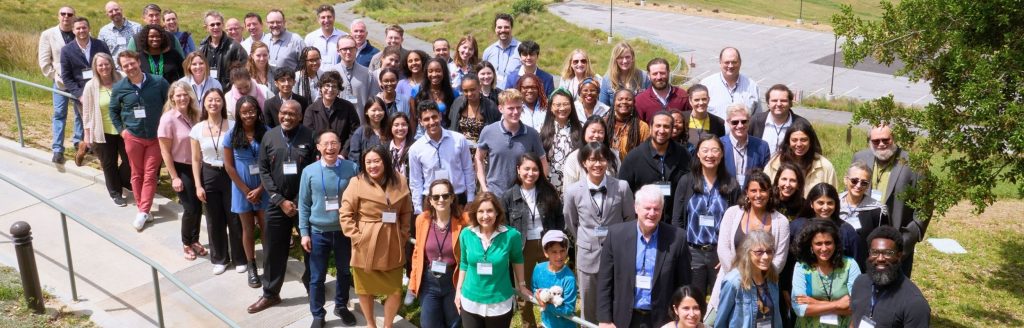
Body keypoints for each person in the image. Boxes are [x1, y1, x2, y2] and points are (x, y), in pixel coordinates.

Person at [247, 100, 317, 314]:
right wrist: (280, 200)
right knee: (272, 250)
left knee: (311, 248)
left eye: (292, 114)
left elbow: (313, 169)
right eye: (283, 113)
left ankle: (313, 286)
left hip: (303, 204)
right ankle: (270, 293)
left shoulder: (310, 136)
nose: (287, 117)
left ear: (300, 116)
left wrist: (296, 201)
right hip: (277, 204)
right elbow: (264, 170)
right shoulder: (270, 136)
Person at [597, 184, 692, 328]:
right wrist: (605, 319)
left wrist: (680, 320)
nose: (652, 213)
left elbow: (684, 284)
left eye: (657, 209)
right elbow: (605, 281)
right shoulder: (616, 235)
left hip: (663, 321)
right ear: (636, 207)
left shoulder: (677, 238)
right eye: (647, 208)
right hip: (623, 319)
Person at [339, 145, 413, 328]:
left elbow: (406, 211)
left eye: (377, 161)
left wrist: (403, 234)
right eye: (368, 162)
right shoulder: (356, 182)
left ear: (385, 162)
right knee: (364, 290)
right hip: (366, 244)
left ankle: (388, 325)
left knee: (395, 291)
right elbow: (345, 214)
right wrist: (357, 237)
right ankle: (370, 324)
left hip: (393, 241)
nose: (372, 166)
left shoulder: (400, 180)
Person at [562, 141, 633, 323]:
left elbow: (629, 219)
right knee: (588, 303)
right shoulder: (572, 192)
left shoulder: (622, 187)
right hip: (587, 254)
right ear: (584, 162)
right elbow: (571, 222)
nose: (597, 164)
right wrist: (586, 239)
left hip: (617, 254)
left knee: (617, 300)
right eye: (592, 160)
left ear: (608, 162)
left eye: (602, 159)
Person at [296, 129, 359, 327]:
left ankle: (341, 305)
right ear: (318, 147)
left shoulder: (352, 168)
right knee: (317, 276)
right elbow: (304, 204)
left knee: (344, 272)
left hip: (344, 231)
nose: (330, 147)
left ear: (340, 145)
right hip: (318, 232)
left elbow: (359, 199)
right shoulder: (309, 171)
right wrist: (304, 233)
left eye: (334, 143)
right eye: (326, 144)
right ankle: (318, 313)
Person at [671, 135, 740, 307]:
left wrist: (728, 254)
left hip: (719, 252)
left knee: (720, 301)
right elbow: (677, 220)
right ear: (698, 155)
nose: (710, 155)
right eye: (705, 150)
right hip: (692, 253)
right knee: (694, 301)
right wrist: (682, 251)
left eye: (715, 150)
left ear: (722, 154)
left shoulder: (731, 184)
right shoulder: (687, 181)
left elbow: (737, 222)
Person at [708, 170, 789, 316]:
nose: (758, 195)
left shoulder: (781, 222)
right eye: (753, 190)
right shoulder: (732, 213)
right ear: (746, 192)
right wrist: (738, 278)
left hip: (764, 286)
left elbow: (780, 259)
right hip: (731, 282)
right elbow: (723, 249)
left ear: (770, 192)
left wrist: (758, 280)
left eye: (763, 190)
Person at [851, 124, 928, 277]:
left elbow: (924, 205)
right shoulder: (860, 157)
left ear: (894, 138)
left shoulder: (914, 163)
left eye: (885, 139)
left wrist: (908, 239)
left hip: (897, 240)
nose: (880, 144)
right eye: (875, 141)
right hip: (863, 239)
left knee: (894, 290)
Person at [782, 183, 864, 326]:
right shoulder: (797, 227)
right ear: (811, 204)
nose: (825, 207)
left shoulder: (847, 231)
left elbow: (856, 298)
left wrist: (815, 303)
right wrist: (785, 288)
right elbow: (787, 260)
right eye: (820, 202)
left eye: (830, 203)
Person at [500, 153, 565, 327]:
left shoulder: (548, 191)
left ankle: (553, 322)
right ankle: (529, 324)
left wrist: (558, 241)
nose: (531, 173)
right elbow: (503, 225)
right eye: (526, 169)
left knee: (554, 286)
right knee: (524, 289)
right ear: (518, 170)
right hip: (522, 247)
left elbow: (559, 216)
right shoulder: (508, 196)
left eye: (535, 169)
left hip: (548, 244)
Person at [110, 50, 169, 231]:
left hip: (155, 138)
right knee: (136, 174)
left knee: (150, 174)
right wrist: (122, 131)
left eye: (132, 63)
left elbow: (169, 104)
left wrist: (165, 128)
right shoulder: (120, 87)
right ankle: (143, 208)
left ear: (138, 62)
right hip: (133, 137)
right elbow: (113, 111)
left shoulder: (158, 82)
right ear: (121, 68)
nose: (130, 68)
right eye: (125, 66)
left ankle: (143, 211)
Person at [190, 89, 245, 275]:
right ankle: (220, 258)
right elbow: (196, 159)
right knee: (214, 219)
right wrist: (198, 185)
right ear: (204, 104)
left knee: (234, 216)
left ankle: (240, 257)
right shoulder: (197, 129)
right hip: (209, 173)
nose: (214, 103)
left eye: (217, 100)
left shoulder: (233, 125)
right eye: (210, 100)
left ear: (223, 103)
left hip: (230, 173)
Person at [455, 192, 531, 327]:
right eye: (481, 211)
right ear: (475, 213)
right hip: (470, 301)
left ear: (497, 212)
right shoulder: (466, 234)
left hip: (499, 303)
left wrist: (522, 285)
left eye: (490, 210)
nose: (485, 216)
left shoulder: (511, 236)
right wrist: (458, 291)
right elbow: (464, 263)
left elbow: (517, 259)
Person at [223, 96, 269, 287]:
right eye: (244, 112)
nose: (249, 115)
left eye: (252, 111)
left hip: (264, 188)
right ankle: (252, 266)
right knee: (248, 229)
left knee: (266, 228)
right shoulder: (231, 135)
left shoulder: (266, 133)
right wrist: (246, 190)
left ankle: (268, 264)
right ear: (238, 114)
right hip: (241, 191)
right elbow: (229, 166)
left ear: (258, 112)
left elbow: (272, 164)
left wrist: (259, 189)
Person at [157, 81, 205, 260]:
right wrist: (174, 177)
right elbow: (165, 151)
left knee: (199, 205)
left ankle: (195, 239)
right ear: (172, 98)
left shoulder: (196, 115)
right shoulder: (168, 119)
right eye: (178, 95)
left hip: (198, 165)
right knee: (190, 207)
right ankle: (186, 242)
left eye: (185, 94)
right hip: (181, 167)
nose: (182, 98)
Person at [410, 179, 467, 328]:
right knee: (429, 324)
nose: (441, 200)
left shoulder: (464, 221)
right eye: (436, 197)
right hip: (429, 281)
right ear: (430, 200)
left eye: (445, 196)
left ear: (452, 198)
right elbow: (417, 253)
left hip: (453, 280)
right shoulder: (422, 220)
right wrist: (413, 282)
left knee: (454, 323)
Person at [849, 226, 931, 327]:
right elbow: (854, 318)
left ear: (899, 256)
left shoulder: (915, 304)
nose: (880, 258)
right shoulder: (860, 282)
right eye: (874, 252)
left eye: (888, 253)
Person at [475, 89, 548, 198]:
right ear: (501, 109)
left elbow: (543, 163)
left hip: (522, 195)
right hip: (495, 194)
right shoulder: (489, 131)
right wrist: (484, 188)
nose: (515, 112)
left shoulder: (532, 134)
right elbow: (478, 159)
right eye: (511, 108)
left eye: (519, 108)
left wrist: (537, 187)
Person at [619, 111, 690, 221]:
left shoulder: (684, 155)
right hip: (644, 221)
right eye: (658, 126)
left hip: (674, 221)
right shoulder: (634, 157)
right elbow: (624, 194)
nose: (661, 131)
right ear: (651, 128)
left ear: (672, 130)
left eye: (666, 127)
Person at [790, 220, 862, 328]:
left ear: (835, 244)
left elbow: (857, 307)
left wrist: (814, 303)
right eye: (818, 243)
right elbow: (800, 309)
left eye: (828, 243)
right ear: (811, 246)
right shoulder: (802, 267)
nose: (824, 248)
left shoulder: (850, 265)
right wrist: (838, 304)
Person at [80, 52, 130, 206]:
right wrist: (87, 135)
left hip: (123, 129)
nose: (104, 67)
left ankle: (121, 181)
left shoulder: (122, 78)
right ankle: (115, 193)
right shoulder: (91, 86)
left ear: (111, 64)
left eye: (106, 63)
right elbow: (87, 112)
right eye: (100, 65)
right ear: (95, 67)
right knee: (109, 163)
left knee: (130, 160)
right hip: (102, 131)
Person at [61, 17, 112, 166]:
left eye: (84, 27)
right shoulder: (67, 50)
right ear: (73, 30)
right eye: (78, 28)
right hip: (83, 95)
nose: (81, 31)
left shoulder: (100, 45)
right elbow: (67, 77)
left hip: (103, 91)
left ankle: (84, 145)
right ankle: (104, 160)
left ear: (89, 28)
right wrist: (79, 95)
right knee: (93, 125)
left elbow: (110, 66)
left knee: (105, 124)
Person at [409, 101, 476, 212]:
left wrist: (470, 199)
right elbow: (415, 181)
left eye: (434, 117)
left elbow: (468, 170)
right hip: (431, 201)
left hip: (457, 198)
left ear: (440, 116)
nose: (431, 122)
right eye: (426, 119)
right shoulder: (415, 149)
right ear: (420, 122)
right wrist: (418, 209)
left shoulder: (459, 140)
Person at [714, 230, 783, 328]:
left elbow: (776, 318)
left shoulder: (772, 278)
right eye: (759, 252)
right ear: (747, 253)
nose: (765, 256)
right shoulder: (733, 282)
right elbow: (721, 321)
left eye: (769, 251)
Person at [40, 6, 79, 164]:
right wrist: (55, 76)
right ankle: (57, 149)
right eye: (63, 14)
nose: (66, 17)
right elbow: (44, 62)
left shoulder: (81, 32)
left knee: (81, 114)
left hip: (79, 83)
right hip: (60, 83)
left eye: (69, 14)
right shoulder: (48, 34)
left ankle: (78, 141)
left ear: (74, 17)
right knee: (59, 114)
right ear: (58, 16)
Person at [764, 120, 838, 196]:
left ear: (811, 142)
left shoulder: (825, 167)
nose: (799, 144)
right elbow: (765, 191)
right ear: (788, 142)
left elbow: (833, 198)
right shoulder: (774, 163)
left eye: (803, 140)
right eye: (794, 140)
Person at [839, 161, 890, 268]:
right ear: (845, 180)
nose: (858, 185)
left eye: (864, 183)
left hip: (863, 266)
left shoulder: (878, 211)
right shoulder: (833, 204)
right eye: (854, 181)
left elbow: (882, 242)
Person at [532, 230, 578, 328]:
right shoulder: (538, 269)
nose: (559, 256)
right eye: (554, 252)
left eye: (562, 250)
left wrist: (546, 305)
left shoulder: (569, 279)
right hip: (546, 323)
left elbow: (568, 309)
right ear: (546, 253)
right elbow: (534, 287)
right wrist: (537, 294)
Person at [748, 84, 812, 155]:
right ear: (768, 103)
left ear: (790, 103)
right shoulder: (755, 121)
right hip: (760, 166)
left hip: (791, 166)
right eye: (774, 100)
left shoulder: (802, 124)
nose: (778, 104)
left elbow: (814, 151)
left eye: (783, 100)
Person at [541, 89, 583, 194]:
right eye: (558, 105)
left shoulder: (581, 128)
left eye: (566, 104)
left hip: (575, 186)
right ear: (551, 107)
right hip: (549, 188)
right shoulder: (541, 129)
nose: (562, 108)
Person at [303, 71, 360, 148]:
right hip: (319, 155)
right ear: (321, 88)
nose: (330, 89)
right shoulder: (311, 110)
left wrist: (344, 152)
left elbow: (354, 132)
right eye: (327, 85)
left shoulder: (348, 107)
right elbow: (308, 135)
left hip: (342, 155)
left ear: (338, 90)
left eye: (334, 86)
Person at [699, 47, 760, 119]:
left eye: (734, 62)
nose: (730, 66)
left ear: (740, 63)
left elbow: (758, 119)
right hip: (714, 130)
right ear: (720, 63)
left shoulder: (752, 86)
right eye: (727, 62)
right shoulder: (706, 85)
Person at [329, 36, 378, 122]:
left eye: (351, 48)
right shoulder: (331, 73)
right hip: (337, 123)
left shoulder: (367, 74)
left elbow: (374, 101)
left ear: (356, 49)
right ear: (338, 51)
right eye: (344, 49)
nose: (348, 52)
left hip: (361, 123)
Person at [561, 117, 620, 187]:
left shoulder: (613, 155)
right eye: (593, 131)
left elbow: (619, 183)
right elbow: (568, 190)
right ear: (584, 132)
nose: (596, 135)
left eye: (601, 132)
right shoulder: (573, 158)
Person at [721, 104, 771, 187]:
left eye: (744, 121)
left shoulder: (762, 146)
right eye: (735, 122)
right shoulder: (719, 145)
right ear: (728, 122)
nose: (740, 125)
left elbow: (765, 177)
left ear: (749, 121)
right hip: (726, 195)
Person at [199, 10, 248, 87]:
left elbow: (245, 69)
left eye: (218, 24)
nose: (216, 27)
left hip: (228, 92)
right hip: (208, 91)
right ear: (206, 28)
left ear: (223, 25)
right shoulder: (202, 47)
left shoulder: (235, 47)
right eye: (212, 25)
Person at [447, 74, 500, 144]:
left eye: (472, 90)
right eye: (465, 91)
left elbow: (496, 131)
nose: (469, 94)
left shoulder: (490, 106)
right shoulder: (457, 103)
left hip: (482, 151)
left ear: (480, 87)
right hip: (460, 149)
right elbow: (451, 125)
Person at [635, 58, 691, 124]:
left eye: (662, 73)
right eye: (655, 74)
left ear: (668, 72)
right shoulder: (640, 100)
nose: (659, 77)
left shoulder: (682, 96)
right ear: (648, 75)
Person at [598, 41, 650, 106]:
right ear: (615, 59)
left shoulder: (644, 77)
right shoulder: (608, 79)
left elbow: (650, 103)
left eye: (627, 57)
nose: (624, 61)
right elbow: (603, 107)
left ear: (632, 58)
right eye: (620, 57)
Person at [412, 57, 456, 129]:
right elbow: (413, 119)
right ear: (426, 73)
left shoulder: (453, 93)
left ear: (444, 72)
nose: (434, 74)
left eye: (438, 71)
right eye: (430, 71)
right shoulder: (417, 90)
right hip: (422, 134)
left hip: (445, 133)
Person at [607, 89, 650, 161]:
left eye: (628, 99)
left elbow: (647, 154)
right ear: (614, 103)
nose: (624, 102)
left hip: (632, 168)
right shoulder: (605, 123)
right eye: (620, 99)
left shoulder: (642, 127)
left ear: (633, 104)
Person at [481, 13, 521, 88]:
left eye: (506, 27)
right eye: (499, 27)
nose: (502, 30)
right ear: (495, 29)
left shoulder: (521, 50)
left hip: (514, 96)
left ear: (511, 28)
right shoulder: (488, 51)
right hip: (492, 97)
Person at [346, 97, 387, 165]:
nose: (377, 113)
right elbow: (354, 158)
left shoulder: (389, 130)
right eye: (373, 110)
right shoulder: (359, 133)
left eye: (380, 110)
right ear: (366, 112)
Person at [384, 112, 415, 177]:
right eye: (396, 125)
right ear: (390, 127)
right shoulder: (384, 148)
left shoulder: (415, 146)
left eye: (404, 124)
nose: (400, 128)